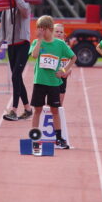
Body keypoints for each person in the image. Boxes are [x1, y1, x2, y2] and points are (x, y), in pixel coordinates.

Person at [28, 15, 73, 149]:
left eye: (42, 30)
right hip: (40, 81)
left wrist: (63, 70)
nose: (39, 32)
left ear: (49, 29)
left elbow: (73, 57)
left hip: (53, 82)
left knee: (55, 110)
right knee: (37, 110)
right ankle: (35, 138)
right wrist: (40, 39)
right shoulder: (36, 42)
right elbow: (34, 56)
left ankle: (59, 138)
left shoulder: (59, 44)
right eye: (38, 29)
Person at [0, 0, 33, 121]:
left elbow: (25, 11)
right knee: (17, 77)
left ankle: (14, 110)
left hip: (23, 44)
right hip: (11, 45)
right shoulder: (5, 8)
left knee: (15, 76)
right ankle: (28, 109)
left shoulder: (24, 3)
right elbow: (2, 27)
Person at [54, 23, 71, 106]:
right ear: (52, 33)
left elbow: (71, 60)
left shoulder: (67, 47)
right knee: (51, 98)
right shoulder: (50, 45)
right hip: (52, 76)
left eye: (61, 32)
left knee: (61, 98)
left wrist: (68, 70)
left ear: (64, 34)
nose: (59, 33)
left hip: (63, 75)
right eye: (57, 31)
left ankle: (58, 113)